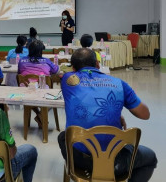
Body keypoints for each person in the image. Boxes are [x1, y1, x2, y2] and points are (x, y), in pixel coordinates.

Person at [58, 48, 157, 182]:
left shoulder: (67, 80)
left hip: (79, 159)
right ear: (98, 64)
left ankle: (78, 169)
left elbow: (59, 71)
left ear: (74, 69)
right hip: (114, 162)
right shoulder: (120, 84)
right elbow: (145, 114)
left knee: (63, 136)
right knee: (150, 158)